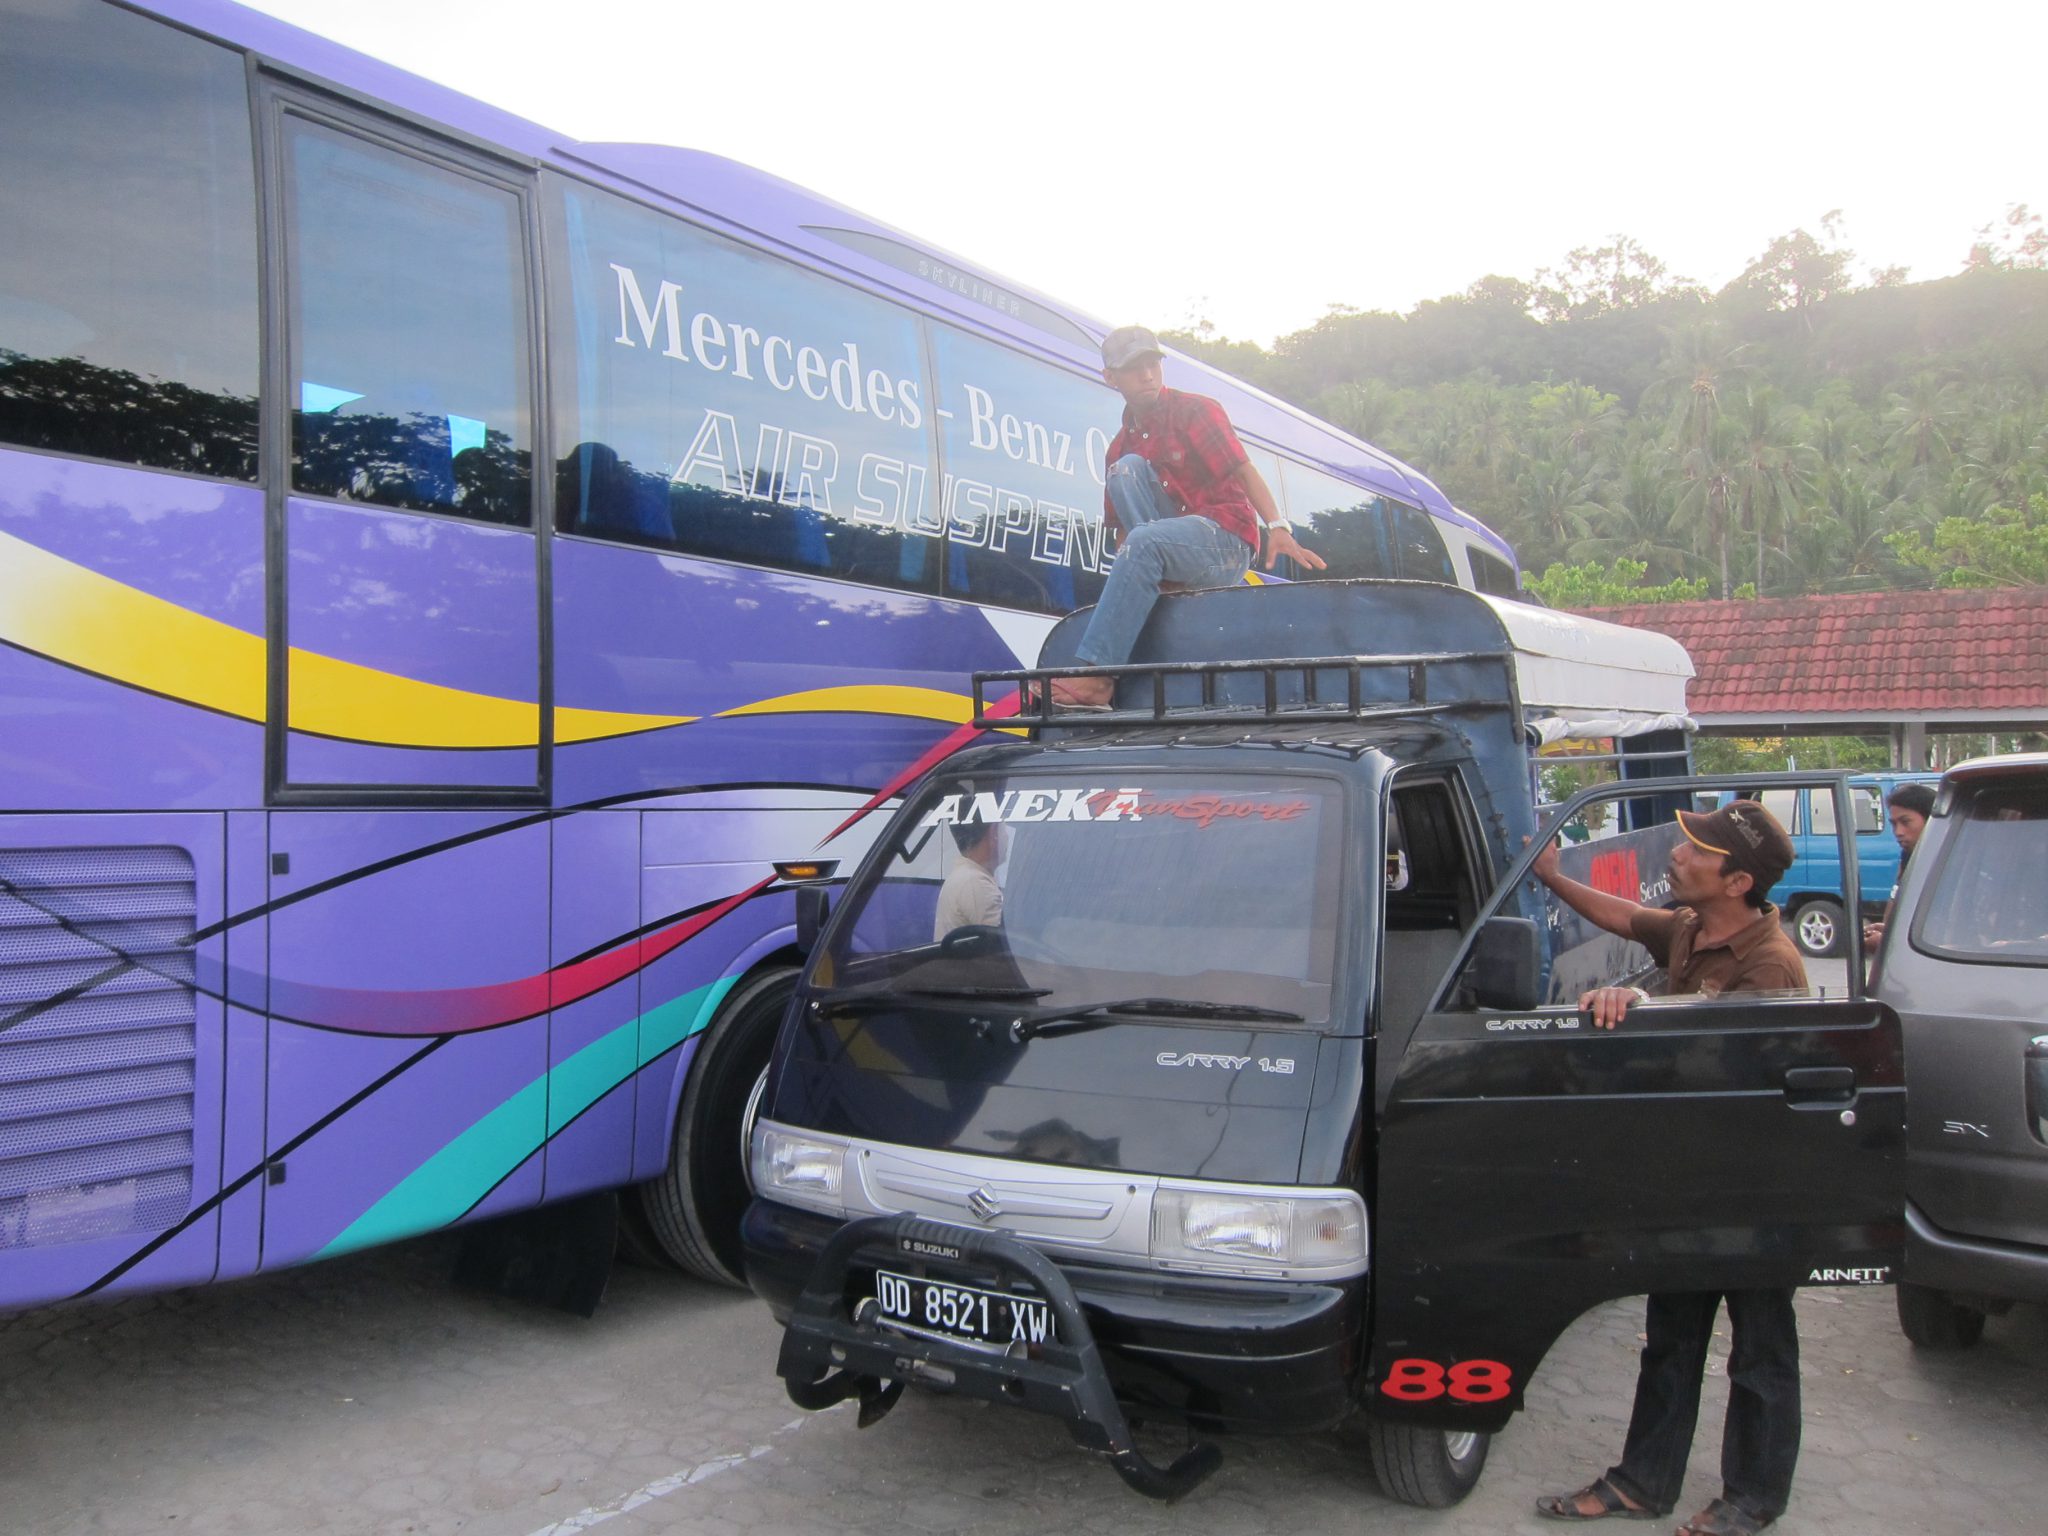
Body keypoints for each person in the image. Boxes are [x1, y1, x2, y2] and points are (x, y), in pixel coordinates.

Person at [1529, 799, 1806, 1536]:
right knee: (1672, 1337)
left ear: (1738, 881)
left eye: (1696, 851)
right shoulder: (1690, 927)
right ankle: (1643, 1482)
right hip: (1689, 1176)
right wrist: (1553, 877)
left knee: (1761, 1350)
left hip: (1754, 1187)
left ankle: (1752, 1498)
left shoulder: (1770, 965)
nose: (1676, 855)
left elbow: (1720, 1066)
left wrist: (1638, 1005)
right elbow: (1625, 917)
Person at [1038, 326, 1325, 709]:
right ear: (1110, 377)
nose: (1147, 375)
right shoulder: (1118, 447)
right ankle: (1165, 582)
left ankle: (1099, 678)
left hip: (1223, 542)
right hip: (1166, 544)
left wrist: (1277, 526)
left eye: (1153, 364)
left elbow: (1243, 469)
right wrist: (1132, 580)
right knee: (1125, 471)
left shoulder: (1195, 410)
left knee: (1145, 540)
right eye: (1134, 368)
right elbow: (1125, 536)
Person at [1861, 780, 1936, 948]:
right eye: (1894, 824)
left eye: (1906, 822)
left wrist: (1887, 941)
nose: (1898, 832)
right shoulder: (1908, 857)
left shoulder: (1946, 863)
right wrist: (1888, 931)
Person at [933, 820, 1004, 939]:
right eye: (1004, 830)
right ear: (993, 834)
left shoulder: (966, 875)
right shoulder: (976, 883)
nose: (1007, 837)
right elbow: (1007, 944)